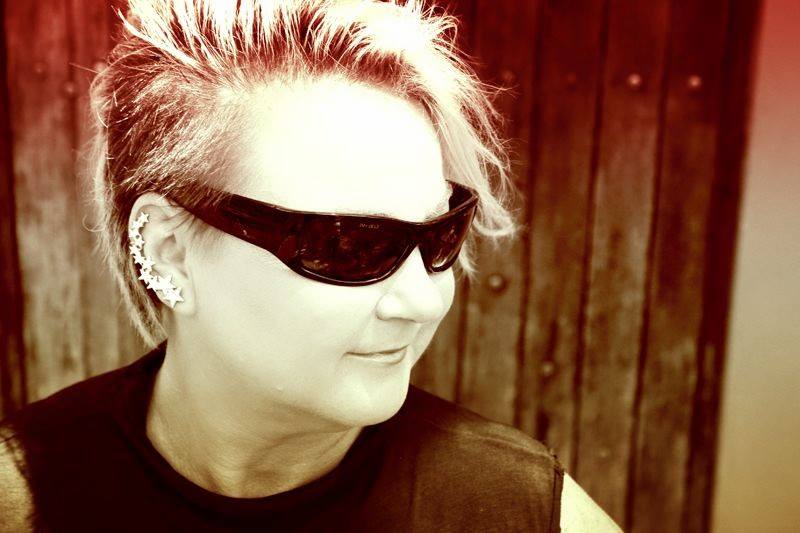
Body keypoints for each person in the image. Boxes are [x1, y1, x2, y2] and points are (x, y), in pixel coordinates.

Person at [0, 0, 620, 531]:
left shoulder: (517, 510)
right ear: (170, 250)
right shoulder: (19, 500)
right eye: (349, 245)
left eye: (442, 232)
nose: (425, 300)